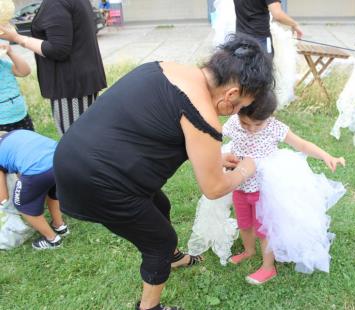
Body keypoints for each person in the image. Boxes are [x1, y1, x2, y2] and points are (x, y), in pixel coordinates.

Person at [53, 34, 274, 310]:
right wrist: (244, 170)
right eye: (241, 105)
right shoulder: (202, 113)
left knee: (160, 204)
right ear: (231, 94)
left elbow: (156, 126)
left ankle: (173, 258)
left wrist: (214, 155)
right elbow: (214, 188)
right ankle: (150, 306)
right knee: (160, 240)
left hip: (71, 155)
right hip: (94, 181)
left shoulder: (165, 68)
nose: (236, 111)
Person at [223, 91, 346, 284]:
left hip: (263, 187)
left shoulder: (274, 127)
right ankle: (248, 250)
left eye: (257, 124)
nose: (252, 129)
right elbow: (213, 138)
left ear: (270, 117)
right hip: (240, 183)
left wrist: (326, 156)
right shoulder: (233, 123)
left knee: (264, 229)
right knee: (244, 223)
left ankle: (268, 267)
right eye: (246, 123)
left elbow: (302, 145)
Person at [0, 0, 107, 136]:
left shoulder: (56, 3)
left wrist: (17, 38)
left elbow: (58, 50)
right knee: (87, 135)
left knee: (73, 140)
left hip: (70, 86)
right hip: (83, 79)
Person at [0, 130, 69, 250]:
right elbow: (19, 168)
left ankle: (52, 240)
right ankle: (60, 226)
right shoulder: (15, 134)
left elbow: (3, 198)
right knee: (52, 192)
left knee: (22, 204)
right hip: (61, 159)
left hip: (38, 170)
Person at [233, 0, 303, 55]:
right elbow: (277, 14)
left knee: (241, 71)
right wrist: (295, 24)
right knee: (264, 71)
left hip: (239, 39)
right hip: (260, 40)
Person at [0, 42, 34, 132]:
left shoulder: (3, 64)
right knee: (6, 145)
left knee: (27, 143)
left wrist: (10, 52)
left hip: (21, 116)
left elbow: (24, 71)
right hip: (2, 123)